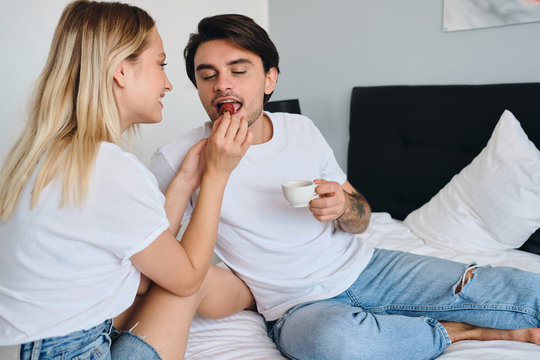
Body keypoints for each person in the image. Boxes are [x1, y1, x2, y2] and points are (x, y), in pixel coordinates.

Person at [149, 13, 540, 360]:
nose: (222, 85)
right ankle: (457, 333)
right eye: (208, 75)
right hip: (295, 305)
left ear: (270, 78)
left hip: (369, 267)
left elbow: (362, 216)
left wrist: (343, 208)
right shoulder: (180, 157)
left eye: (239, 70)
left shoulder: (300, 129)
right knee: (333, 344)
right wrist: (199, 176)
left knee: (525, 291)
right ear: (198, 86)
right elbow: (157, 255)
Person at [0, 2, 254, 360]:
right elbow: (187, 278)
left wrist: (183, 182)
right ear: (121, 71)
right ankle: (258, 298)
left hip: (36, 345)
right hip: (72, 350)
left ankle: (255, 297)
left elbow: (147, 274)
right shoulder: (109, 169)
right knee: (194, 284)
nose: (167, 83)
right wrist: (216, 175)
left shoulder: (55, 156)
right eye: (160, 64)